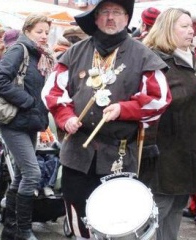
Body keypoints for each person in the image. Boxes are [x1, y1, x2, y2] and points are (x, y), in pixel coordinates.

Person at [42, 0, 172, 238]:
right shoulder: (75, 52)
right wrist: (66, 116)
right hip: (77, 152)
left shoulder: (143, 55)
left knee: (115, 217)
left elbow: (159, 98)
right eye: (105, 12)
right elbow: (53, 92)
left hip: (118, 153)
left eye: (117, 12)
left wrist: (124, 109)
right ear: (95, 18)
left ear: (127, 18)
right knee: (77, 207)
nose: (111, 18)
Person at [141, 8, 196, 240]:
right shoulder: (156, 62)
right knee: (154, 213)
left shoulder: (187, 59)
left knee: (175, 209)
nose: (190, 30)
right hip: (163, 156)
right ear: (166, 29)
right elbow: (145, 107)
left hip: (187, 153)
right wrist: (149, 149)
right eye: (183, 26)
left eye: (191, 25)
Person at [0, 14, 55, 240]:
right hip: (14, 121)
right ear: (27, 30)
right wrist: (27, 102)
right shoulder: (19, 50)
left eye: (46, 32)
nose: (43, 36)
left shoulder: (39, 55)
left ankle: (10, 229)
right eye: (39, 31)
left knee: (22, 174)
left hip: (30, 121)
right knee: (32, 173)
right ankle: (23, 229)